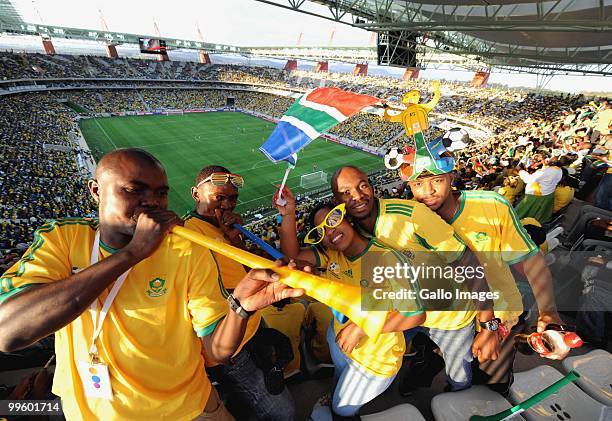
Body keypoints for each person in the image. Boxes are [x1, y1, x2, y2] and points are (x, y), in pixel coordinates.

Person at [0, 149, 304, 421]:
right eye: (134, 190)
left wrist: (240, 307)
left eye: (161, 193)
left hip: (187, 408)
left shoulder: (185, 249)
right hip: (90, 411)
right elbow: (7, 331)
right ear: (96, 191)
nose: (151, 203)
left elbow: (216, 349)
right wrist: (134, 253)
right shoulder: (64, 239)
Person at [330, 165, 498, 393]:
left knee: (459, 376)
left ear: (371, 186)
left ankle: (458, 398)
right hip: (406, 315)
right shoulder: (352, 233)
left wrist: (488, 326)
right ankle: (423, 363)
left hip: (450, 317)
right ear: (337, 200)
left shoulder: (411, 217)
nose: (358, 196)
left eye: (362, 186)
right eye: (346, 192)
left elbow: (468, 263)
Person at [405, 156, 565, 394]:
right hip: (445, 314)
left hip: (498, 312)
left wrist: (548, 311)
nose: (428, 191)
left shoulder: (491, 205)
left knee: (492, 383)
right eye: (418, 184)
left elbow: (529, 259)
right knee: (438, 359)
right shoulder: (408, 217)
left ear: (451, 177)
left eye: (436, 180)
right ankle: (429, 371)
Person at [274, 186, 426, 419]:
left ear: (347, 218)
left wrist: (363, 327)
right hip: (341, 343)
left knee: (341, 410)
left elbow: (416, 315)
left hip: (375, 359)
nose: (330, 232)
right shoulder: (332, 255)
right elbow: (291, 255)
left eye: (333, 220)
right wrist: (288, 215)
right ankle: (336, 392)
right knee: (339, 378)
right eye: (321, 231)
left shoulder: (385, 258)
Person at [184, 164, 295, 421]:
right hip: (231, 346)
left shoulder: (222, 229)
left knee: (270, 387)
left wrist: (236, 242)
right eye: (218, 198)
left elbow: (246, 273)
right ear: (195, 194)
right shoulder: (188, 233)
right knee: (283, 412)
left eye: (232, 199)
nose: (226, 205)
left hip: (253, 324)